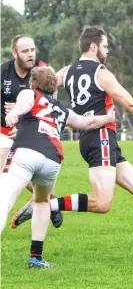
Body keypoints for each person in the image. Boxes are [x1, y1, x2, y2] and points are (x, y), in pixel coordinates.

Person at [13, 25, 133, 260]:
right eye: (105, 46)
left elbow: (43, 86)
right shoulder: (101, 73)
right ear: (94, 46)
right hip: (100, 137)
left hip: (96, 140)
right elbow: (130, 104)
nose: (107, 51)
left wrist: (20, 103)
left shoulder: (67, 72)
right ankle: (47, 205)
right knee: (102, 203)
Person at [0, 66, 115, 268]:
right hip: (52, 161)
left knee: (4, 201)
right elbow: (86, 123)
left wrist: (14, 114)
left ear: (33, 83)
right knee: (43, 202)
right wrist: (109, 118)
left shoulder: (29, 93)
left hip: (27, 153)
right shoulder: (62, 109)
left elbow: (25, 104)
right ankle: (36, 257)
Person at [0, 34, 63, 228]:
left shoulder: (43, 71)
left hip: (31, 132)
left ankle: (44, 201)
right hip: (5, 129)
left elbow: (50, 103)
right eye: (25, 51)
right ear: (15, 54)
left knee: (6, 171)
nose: (30, 55)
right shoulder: (3, 73)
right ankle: (48, 200)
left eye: (32, 50)